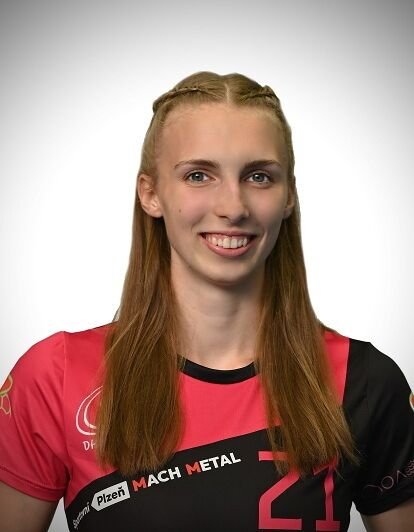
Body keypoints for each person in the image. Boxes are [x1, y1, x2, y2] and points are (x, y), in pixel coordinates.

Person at [0, 71, 413, 532]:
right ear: (151, 194)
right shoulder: (54, 376)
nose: (233, 207)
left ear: (289, 196)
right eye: (199, 175)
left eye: (259, 176)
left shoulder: (364, 381)